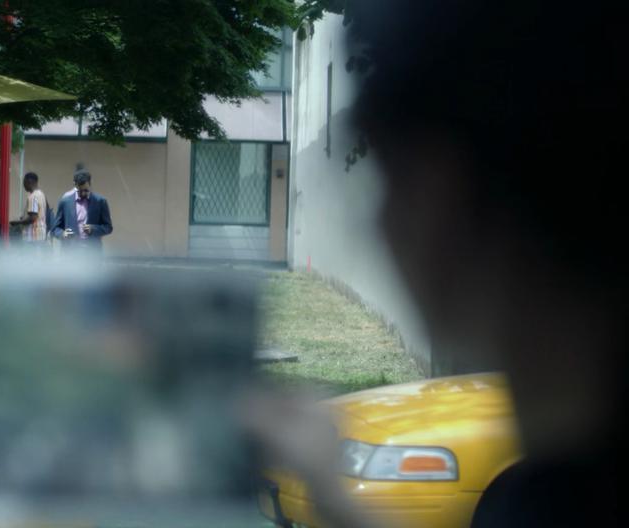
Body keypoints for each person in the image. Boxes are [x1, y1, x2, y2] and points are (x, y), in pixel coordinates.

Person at [248, 1, 626, 526]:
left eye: (386, 177)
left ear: (441, 201)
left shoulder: (544, 500)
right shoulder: (557, 487)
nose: (378, 220)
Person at [51, 166, 113, 252]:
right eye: (79, 191)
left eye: (86, 190)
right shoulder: (65, 202)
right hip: (70, 253)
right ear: (74, 185)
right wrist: (62, 234)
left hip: (92, 253)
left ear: (90, 184)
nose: (83, 193)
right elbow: (55, 229)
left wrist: (93, 229)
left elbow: (108, 227)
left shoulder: (100, 202)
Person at [10, 172, 50, 247]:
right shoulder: (41, 194)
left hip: (32, 237)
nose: (23, 185)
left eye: (24, 182)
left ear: (29, 182)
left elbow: (32, 218)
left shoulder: (33, 197)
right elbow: (45, 211)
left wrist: (17, 222)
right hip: (41, 235)